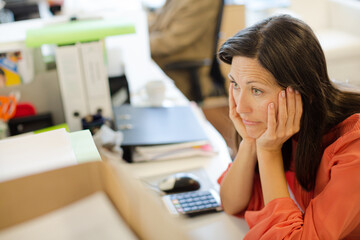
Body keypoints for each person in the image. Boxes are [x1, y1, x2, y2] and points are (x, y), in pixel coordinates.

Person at [217, 14, 360, 239]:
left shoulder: (354, 149)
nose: (240, 107)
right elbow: (232, 203)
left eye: (256, 90)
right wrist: (250, 142)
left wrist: (268, 152)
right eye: (235, 84)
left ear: (304, 95)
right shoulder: (281, 130)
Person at [148, 0, 221, 100]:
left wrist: (140, 45)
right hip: (165, 60)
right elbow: (157, 22)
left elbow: (173, 41)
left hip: (179, 67)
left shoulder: (200, 2)